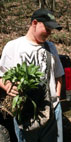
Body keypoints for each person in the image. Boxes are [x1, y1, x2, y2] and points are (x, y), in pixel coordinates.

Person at [0, 8, 64, 142]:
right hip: (25, 112)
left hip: (52, 110)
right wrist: (7, 87)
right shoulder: (13, 46)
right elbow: (1, 75)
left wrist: (56, 96)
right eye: (47, 28)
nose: (49, 33)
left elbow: (58, 74)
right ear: (35, 23)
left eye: (51, 30)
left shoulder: (51, 47)